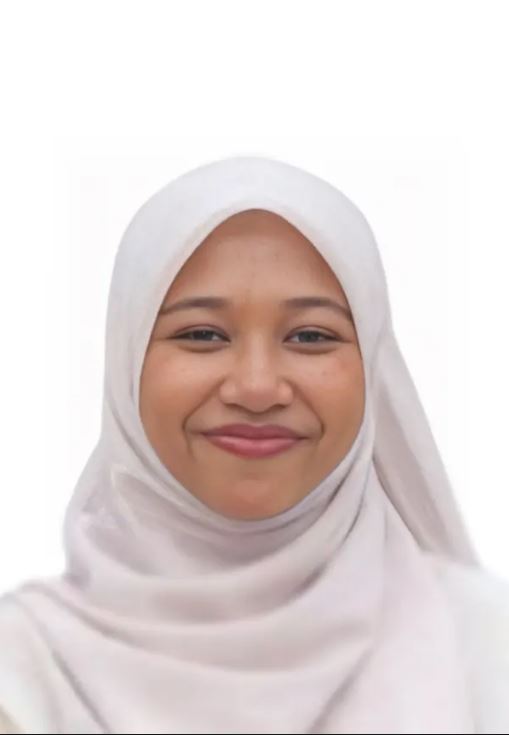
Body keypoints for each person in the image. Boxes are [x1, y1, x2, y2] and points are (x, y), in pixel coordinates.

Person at [0, 155, 507, 734]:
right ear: (127, 363)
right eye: (202, 334)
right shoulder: (24, 676)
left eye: (311, 336)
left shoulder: (484, 651)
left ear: (373, 366)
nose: (257, 387)